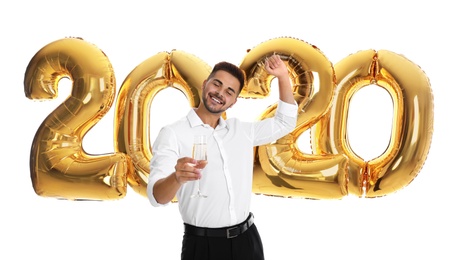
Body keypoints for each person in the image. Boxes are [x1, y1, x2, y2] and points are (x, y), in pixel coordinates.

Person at [147, 54, 298, 260]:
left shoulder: (241, 131)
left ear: (233, 101)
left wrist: (282, 76)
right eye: (216, 84)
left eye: (229, 91)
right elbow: (157, 198)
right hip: (203, 246)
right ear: (204, 84)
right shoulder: (173, 133)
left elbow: (285, 122)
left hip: (248, 241)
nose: (220, 93)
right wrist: (177, 177)